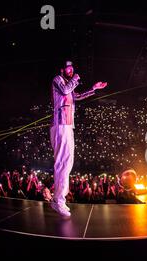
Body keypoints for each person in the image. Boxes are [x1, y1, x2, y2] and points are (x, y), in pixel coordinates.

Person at [50, 60, 107, 217]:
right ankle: (58, 201)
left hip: (68, 126)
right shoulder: (57, 80)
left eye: (73, 69)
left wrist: (93, 88)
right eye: (68, 68)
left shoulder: (69, 85)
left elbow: (78, 95)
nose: (71, 70)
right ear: (62, 69)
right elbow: (65, 90)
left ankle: (58, 199)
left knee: (67, 163)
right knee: (62, 162)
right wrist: (75, 78)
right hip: (60, 124)